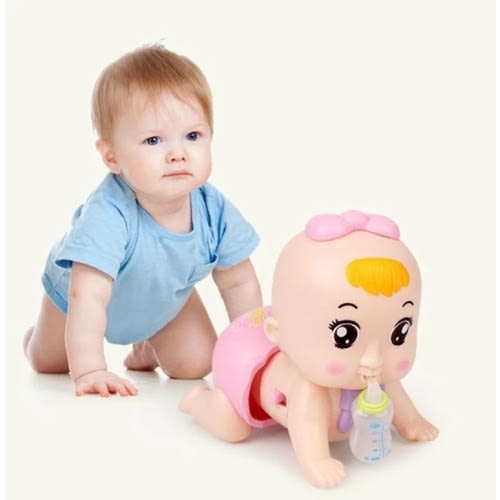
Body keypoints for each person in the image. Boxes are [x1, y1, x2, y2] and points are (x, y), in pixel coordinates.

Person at [23, 44, 263, 398]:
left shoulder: (214, 210)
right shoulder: (109, 214)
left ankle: (148, 347)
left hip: (162, 300)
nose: (178, 153)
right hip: (75, 300)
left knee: (196, 363)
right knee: (50, 363)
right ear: (112, 157)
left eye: (193, 136)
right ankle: (32, 338)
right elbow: (87, 295)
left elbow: (238, 281)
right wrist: (91, 369)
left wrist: (256, 350)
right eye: (153, 140)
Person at [180, 210, 439, 488]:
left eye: (399, 332)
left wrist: (411, 422)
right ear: (278, 333)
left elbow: (396, 397)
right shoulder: (309, 389)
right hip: (240, 361)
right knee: (232, 427)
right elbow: (309, 425)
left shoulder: (381, 375)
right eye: (345, 336)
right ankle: (198, 401)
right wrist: (317, 461)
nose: (374, 359)